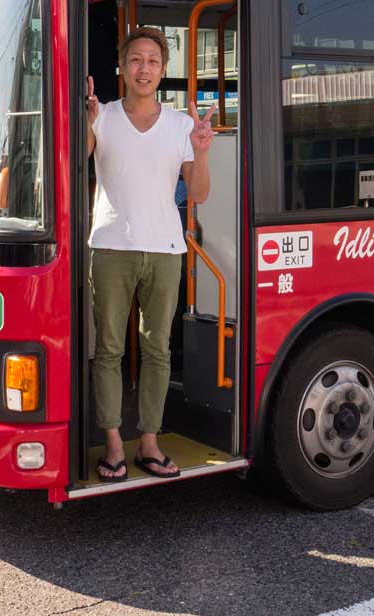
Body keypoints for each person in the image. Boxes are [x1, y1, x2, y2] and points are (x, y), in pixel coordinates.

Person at [87, 26, 215, 481]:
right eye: (136, 60)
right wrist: (85, 121)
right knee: (109, 350)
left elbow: (197, 194)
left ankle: (150, 443)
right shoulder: (101, 117)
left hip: (165, 248)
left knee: (157, 349)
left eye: (154, 61)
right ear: (122, 67)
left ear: (163, 70)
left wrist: (201, 153)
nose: (145, 68)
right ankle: (114, 445)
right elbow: (73, 161)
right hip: (110, 246)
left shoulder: (181, 125)